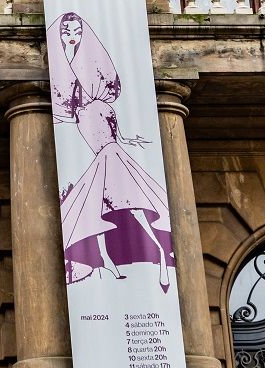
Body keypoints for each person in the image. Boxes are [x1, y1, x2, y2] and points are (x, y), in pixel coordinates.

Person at [48, 11, 174, 293]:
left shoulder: (97, 91)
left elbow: (114, 133)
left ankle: (161, 256)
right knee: (98, 215)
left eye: (77, 31)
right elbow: (70, 114)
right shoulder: (70, 89)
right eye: (66, 31)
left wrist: (131, 141)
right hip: (96, 154)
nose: (71, 35)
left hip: (112, 155)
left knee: (136, 209)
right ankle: (106, 260)